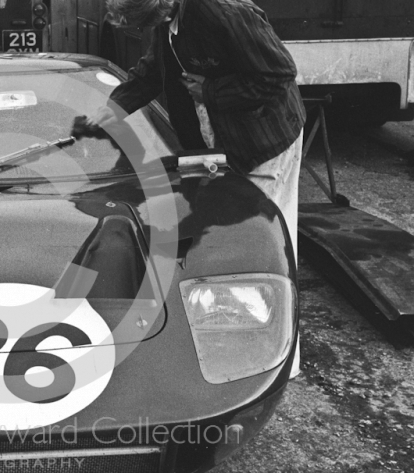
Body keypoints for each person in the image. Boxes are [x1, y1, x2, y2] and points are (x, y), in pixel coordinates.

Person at [87, 0, 305, 377]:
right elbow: (153, 72)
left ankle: (281, 363)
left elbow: (279, 74)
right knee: (227, 239)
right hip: (223, 144)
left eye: (139, 22)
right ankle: (233, 333)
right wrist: (114, 108)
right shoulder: (168, 20)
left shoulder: (223, 13)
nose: (139, 31)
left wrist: (214, 92)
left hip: (265, 141)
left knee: (264, 243)